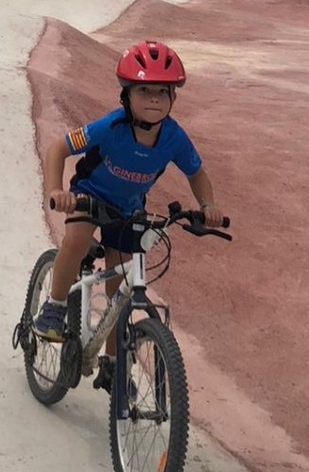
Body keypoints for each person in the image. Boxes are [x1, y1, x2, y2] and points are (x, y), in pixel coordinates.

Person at [33, 40, 225, 391]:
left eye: (162, 92)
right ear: (127, 96)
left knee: (120, 287)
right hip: (89, 195)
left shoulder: (174, 138)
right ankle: (55, 307)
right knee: (75, 242)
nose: (154, 99)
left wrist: (208, 206)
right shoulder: (110, 127)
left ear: (173, 98)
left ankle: (112, 362)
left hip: (127, 207)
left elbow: (197, 173)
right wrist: (55, 191)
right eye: (144, 91)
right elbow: (59, 148)